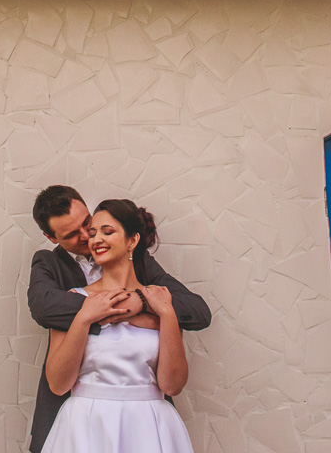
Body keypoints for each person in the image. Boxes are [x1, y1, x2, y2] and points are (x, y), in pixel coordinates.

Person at [27, 186, 210, 453]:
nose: (88, 237)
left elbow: (198, 311)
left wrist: (146, 304)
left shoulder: (149, 281)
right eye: (72, 234)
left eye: (89, 225)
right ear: (50, 236)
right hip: (83, 424)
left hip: (147, 425)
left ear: (132, 241)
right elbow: (43, 307)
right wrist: (99, 311)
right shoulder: (50, 267)